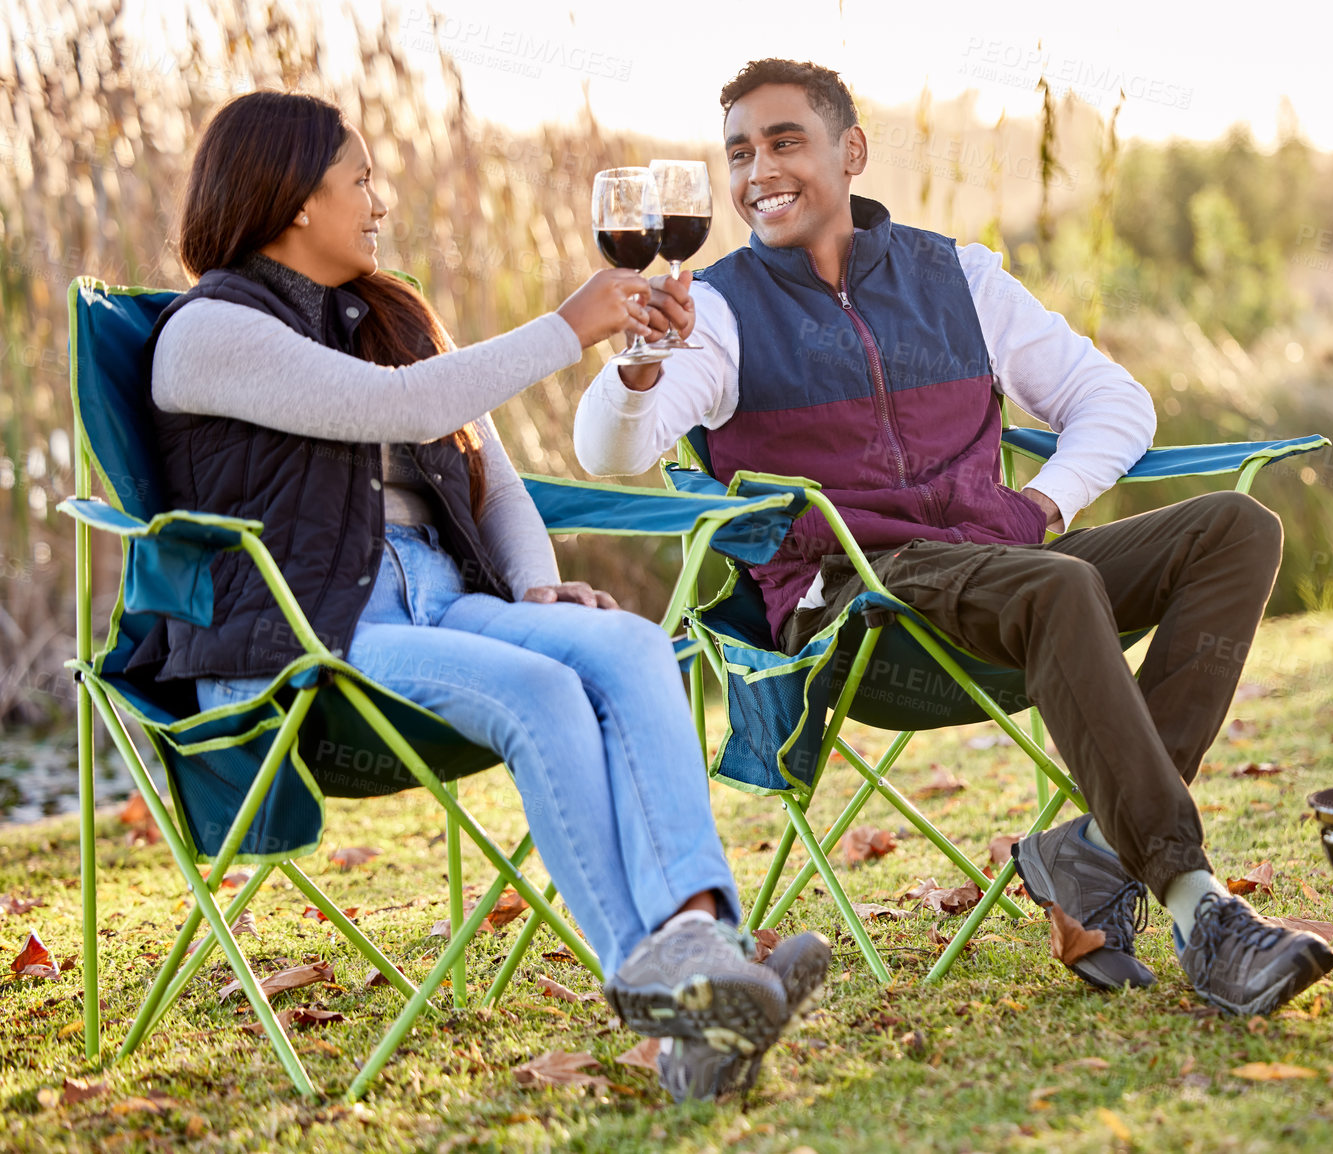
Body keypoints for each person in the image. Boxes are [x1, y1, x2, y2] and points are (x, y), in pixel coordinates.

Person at [574, 59, 1333, 1015]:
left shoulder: (958, 276)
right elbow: (613, 448)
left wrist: (1039, 508)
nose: (756, 170)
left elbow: (1113, 401)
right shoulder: (719, 313)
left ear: (850, 150)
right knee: (1060, 587)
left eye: (783, 142)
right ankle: (1199, 908)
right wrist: (642, 361)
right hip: (862, 616)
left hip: (1006, 575)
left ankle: (1097, 851)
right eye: (738, 152)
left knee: (1234, 527)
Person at [140, 89, 826, 1102]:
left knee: (634, 646)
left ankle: (695, 941)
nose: (380, 201)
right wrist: (570, 324)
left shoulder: (391, 315)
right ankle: (657, 980)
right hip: (312, 633)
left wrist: (539, 586)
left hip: (448, 599)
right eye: (360, 180)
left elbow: (488, 473)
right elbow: (398, 406)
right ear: (293, 201)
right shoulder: (207, 333)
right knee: (543, 691)